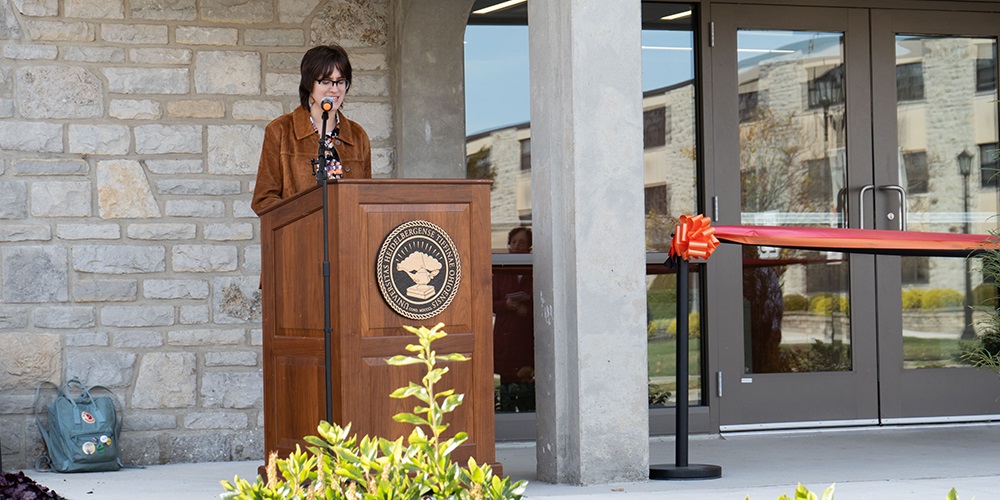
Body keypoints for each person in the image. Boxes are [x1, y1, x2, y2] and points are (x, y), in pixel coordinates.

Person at [251, 44, 372, 215]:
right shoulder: (280, 131)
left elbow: (367, 199)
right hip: (300, 237)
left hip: (349, 236)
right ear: (309, 83)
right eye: (326, 81)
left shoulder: (358, 136)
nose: (335, 89)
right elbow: (264, 200)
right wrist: (303, 219)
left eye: (341, 81)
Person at [492, 227, 534, 383]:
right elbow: (490, 303)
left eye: (522, 242)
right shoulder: (501, 272)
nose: (517, 246)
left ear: (529, 247)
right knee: (506, 387)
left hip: (527, 338)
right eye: (514, 242)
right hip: (506, 339)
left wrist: (528, 311)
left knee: (527, 387)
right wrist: (506, 304)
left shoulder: (535, 272)